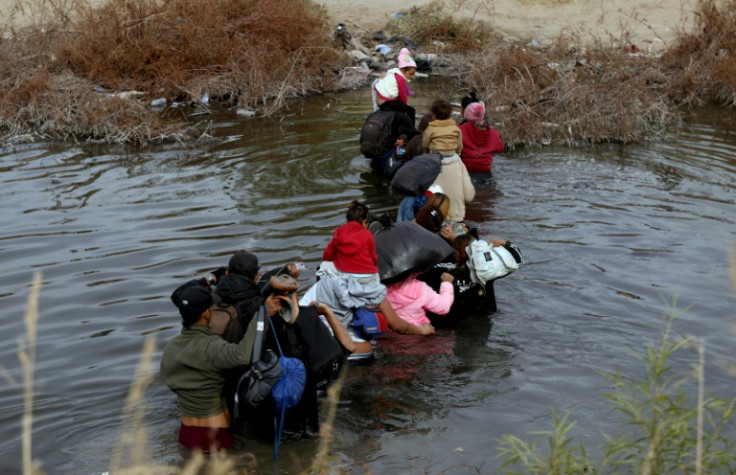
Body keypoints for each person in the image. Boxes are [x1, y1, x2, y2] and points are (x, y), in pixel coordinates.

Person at [160, 281, 281, 453]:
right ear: (206, 314)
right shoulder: (212, 346)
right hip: (214, 435)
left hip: (186, 434)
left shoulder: (170, 348)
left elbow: (168, 379)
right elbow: (242, 356)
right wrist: (262, 316)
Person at [386, 271, 455, 326]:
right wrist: (447, 283)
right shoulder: (421, 289)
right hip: (419, 332)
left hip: (389, 332)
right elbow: (444, 307)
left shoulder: (380, 289)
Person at [458, 101, 504, 181]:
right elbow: (500, 148)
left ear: (467, 114)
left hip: (466, 171)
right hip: (486, 172)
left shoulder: (459, 130)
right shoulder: (493, 133)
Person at [373, 47, 418, 125]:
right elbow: (403, 95)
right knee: (411, 110)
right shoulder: (400, 78)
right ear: (403, 70)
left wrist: (409, 92)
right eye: (410, 74)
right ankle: (412, 130)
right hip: (387, 103)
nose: (411, 76)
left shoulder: (394, 73)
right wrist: (405, 105)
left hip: (380, 101)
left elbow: (404, 88)